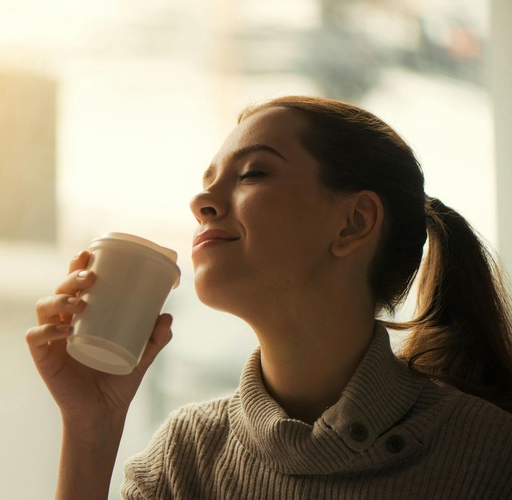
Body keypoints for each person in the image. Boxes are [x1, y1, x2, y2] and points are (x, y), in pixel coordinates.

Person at [26, 96, 512, 499]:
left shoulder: (490, 456)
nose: (201, 203)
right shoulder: (185, 458)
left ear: (355, 222)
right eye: (207, 182)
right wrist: (91, 427)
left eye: (253, 173)